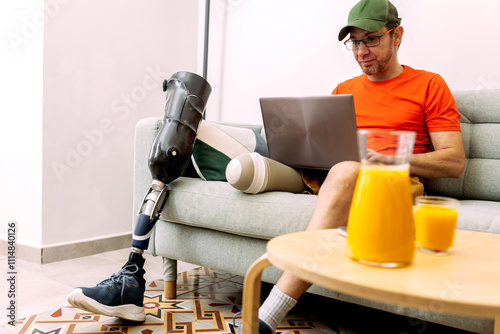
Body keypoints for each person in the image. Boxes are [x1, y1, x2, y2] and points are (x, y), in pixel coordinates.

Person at [233, 0, 465, 333]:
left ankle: (267, 316)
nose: (361, 51)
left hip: (392, 179)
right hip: (329, 175)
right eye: (354, 42)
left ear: (396, 36)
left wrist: (390, 159)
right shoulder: (343, 91)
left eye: (370, 39)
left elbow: (454, 161)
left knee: (345, 170)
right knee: (250, 159)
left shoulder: (429, 84)